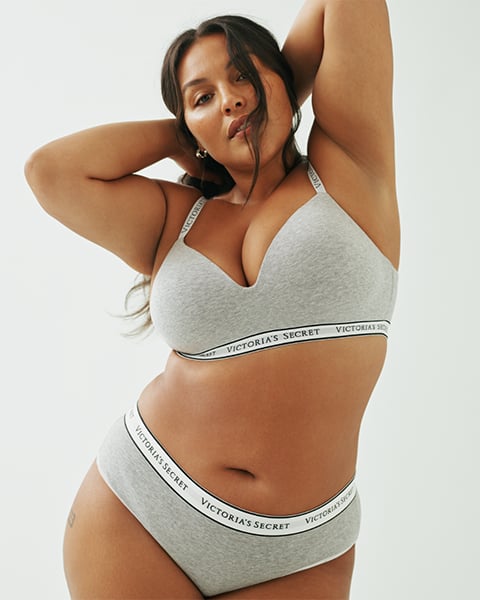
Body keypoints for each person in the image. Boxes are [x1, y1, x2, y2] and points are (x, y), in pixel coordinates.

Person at [25, 0, 399, 598]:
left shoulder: (351, 167)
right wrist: (187, 132)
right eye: (201, 97)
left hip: (302, 548)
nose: (228, 99)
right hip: (144, 511)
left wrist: (270, 95)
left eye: (243, 74)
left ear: (288, 78)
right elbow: (50, 172)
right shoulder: (174, 218)